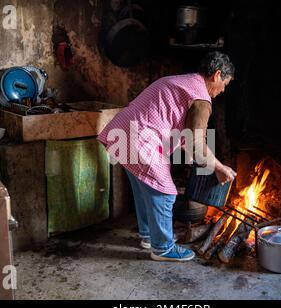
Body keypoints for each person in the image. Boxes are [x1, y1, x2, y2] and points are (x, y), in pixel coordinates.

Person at [97, 51, 236, 262]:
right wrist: (220, 167)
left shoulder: (184, 81)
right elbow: (196, 142)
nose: (223, 90)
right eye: (225, 84)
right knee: (165, 192)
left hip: (122, 131)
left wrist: (190, 153)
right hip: (139, 138)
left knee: (144, 188)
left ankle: (147, 236)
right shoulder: (201, 98)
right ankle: (162, 247)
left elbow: (173, 121)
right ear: (216, 74)